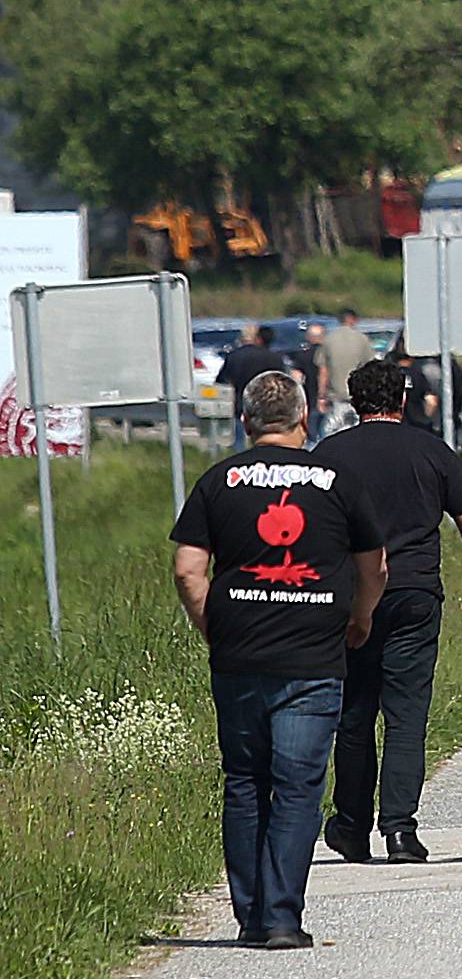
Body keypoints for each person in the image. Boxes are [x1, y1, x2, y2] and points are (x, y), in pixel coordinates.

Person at [169, 370, 386, 947]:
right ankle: (283, 919)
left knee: (244, 782)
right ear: (304, 419)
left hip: (239, 655)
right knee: (297, 787)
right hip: (314, 657)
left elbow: (189, 569)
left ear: (245, 422)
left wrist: (213, 625)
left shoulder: (219, 481)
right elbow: (375, 566)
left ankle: (249, 918)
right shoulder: (338, 481)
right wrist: (360, 618)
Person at [317, 358, 462, 865]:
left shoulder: (329, 456)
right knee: (406, 717)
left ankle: (351, 826)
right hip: (415, 596)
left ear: (355, 404)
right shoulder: (430, 451)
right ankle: (400, 831)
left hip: (352, 600)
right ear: (401, 399)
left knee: (354, 715)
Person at [217, 326, 287, 451]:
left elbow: (222, 380)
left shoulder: (234, 356)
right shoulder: (273, 357)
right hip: (265, 402)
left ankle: (239, 457)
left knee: (239, 439)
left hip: (240, 400)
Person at [321, 307, 375, 430]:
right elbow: (369, 367)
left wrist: (321, 395)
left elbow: (323, 370)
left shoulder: (328, 339)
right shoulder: (362, 339)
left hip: (335, 396)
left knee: (332, 430)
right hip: (357, 396)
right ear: (354, 320)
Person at [404, 347, 462, 444]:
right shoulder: (449, 367)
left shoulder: (418, 369)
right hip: (442, 425)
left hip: (417, 426)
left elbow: (432, 401)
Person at [290, 325, 326, 435]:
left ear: (309, 337)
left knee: (312, 428)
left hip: (309, 395)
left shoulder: (302, 355)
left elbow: (296, 377)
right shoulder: (329, 354)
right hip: (329, 395)